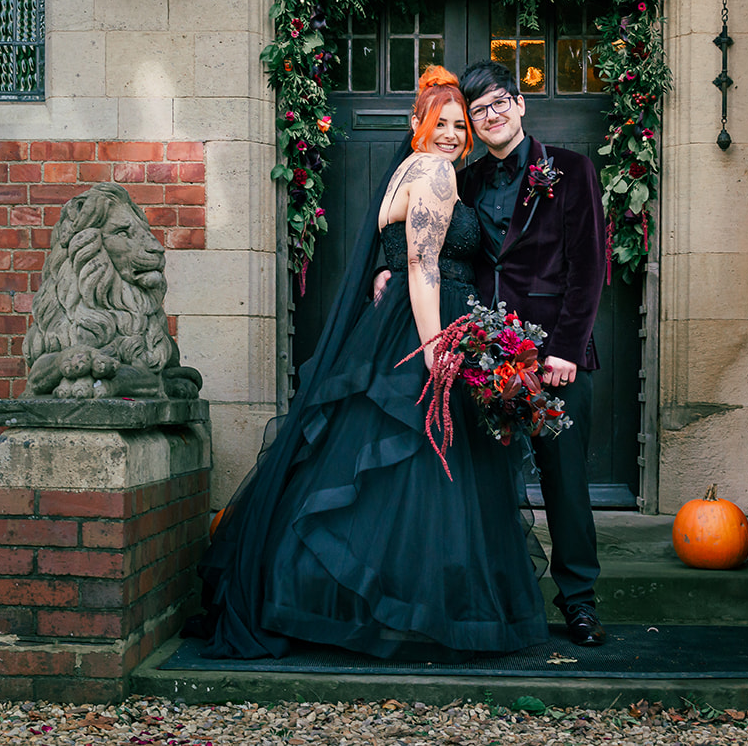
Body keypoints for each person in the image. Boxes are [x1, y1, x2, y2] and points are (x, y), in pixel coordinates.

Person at [188, 65, 547, 662]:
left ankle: (375, 603)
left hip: (404, 326)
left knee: (391, 475)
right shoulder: (432, 171)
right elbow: (423, 266)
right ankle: (411, 612)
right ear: (417, 124)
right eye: (443, 123)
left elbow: (394, 250)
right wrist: (436, 352)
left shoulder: (407, 170)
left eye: (462, 125)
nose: (455, 134)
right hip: (427, 328)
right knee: (423, 468)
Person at [457, 59, 609, 647]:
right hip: (485, 359)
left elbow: (588, 267)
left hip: (554, 358)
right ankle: (497, 596)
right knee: (487, 484)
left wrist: (567, 348)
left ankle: (579, 603)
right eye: (478, 111)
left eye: (498, 103)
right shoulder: (464, 181)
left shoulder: (568, 170)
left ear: (520, 104)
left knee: (564, 484)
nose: (490, 116)